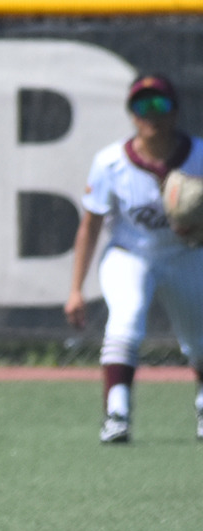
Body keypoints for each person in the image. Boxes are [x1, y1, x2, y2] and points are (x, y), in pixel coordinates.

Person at [65, 73, 203, 443]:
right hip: (131, 253)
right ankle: (117, 413)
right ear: (130, 113)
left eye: (160, 104)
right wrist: (76, 289)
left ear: (175, 112)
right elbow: (90, 226)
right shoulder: (110, 162)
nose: (151, 114)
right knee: (125, 322)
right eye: (141, 105)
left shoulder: (200, 155)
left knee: (199, 340)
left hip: (185, 253)